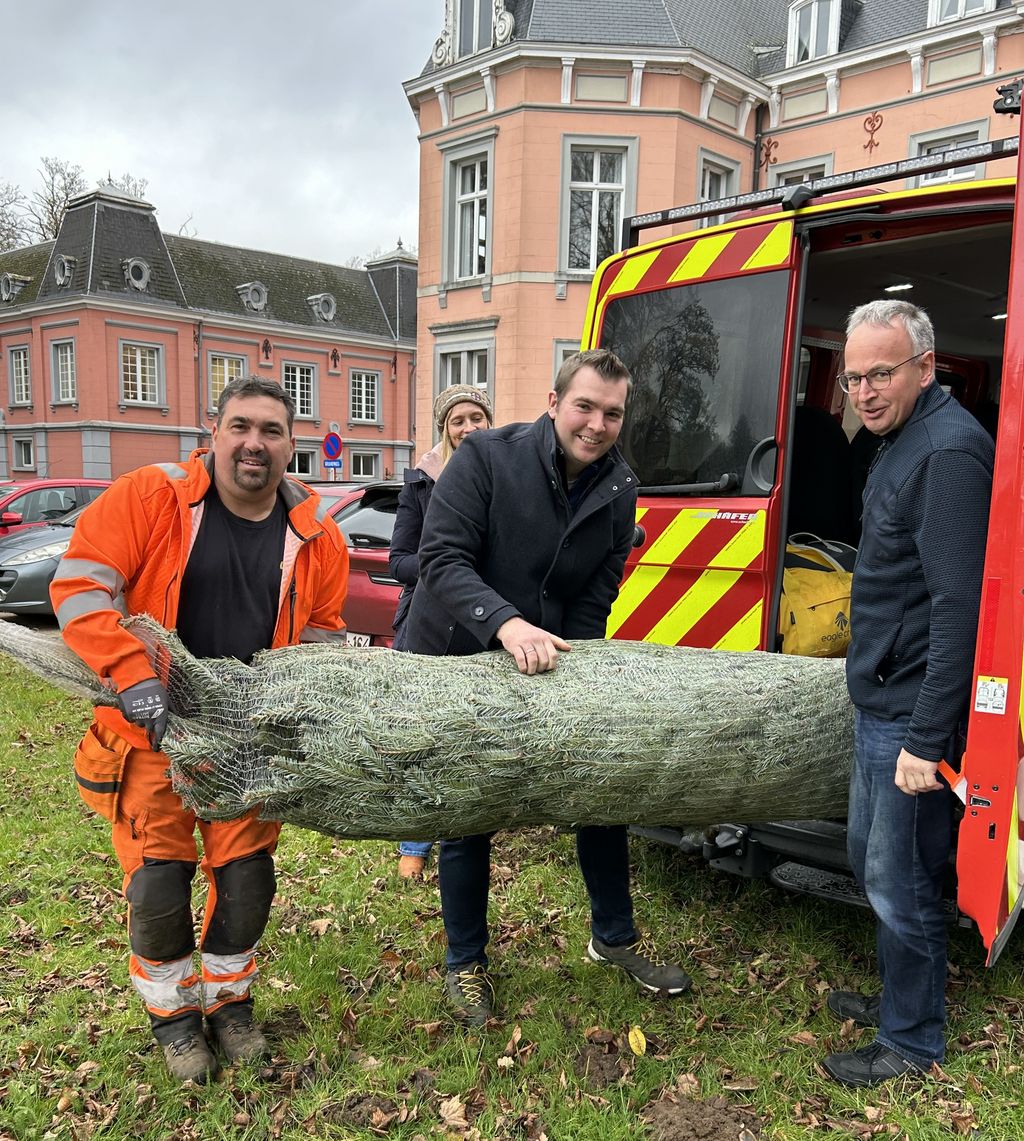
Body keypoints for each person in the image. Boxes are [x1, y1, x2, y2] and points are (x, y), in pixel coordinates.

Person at [50, 377, 349, 1084]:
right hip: (153, 731)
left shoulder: (318, 534)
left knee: (247, 883)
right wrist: (134, 674)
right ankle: (176, 1021)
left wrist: (311, 711)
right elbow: (80, 587)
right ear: (211, 433)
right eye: (240, 426)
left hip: (246, 742)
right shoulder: (149, 497)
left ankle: (230, 1006)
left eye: (271, 431)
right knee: (158, 887)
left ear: (290, 444)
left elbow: (319, 638)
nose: (255, 443)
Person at [404, 348, 692, 1025]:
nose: (596, 424)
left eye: (612, 413)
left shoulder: (621, 487)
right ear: (556, 400)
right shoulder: (485, 458)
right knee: (470, 812)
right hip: (459, 650)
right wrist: (505, 624)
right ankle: (466, 962)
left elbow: (598, 588)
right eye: (585, 406)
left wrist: (581, 668)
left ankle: (613, 938)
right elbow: (438, 558)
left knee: (601, 791)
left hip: (548, 660)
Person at [821, 301, 993, 1087]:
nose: (863, 388)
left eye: (879, 372)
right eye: (854, 376)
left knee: (905, 877)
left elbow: (960, 609)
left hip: (911, 715)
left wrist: (928, 739)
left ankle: (912, 1041)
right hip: (880, 702)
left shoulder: (948, 453)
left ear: (925, 366)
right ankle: (903, 993)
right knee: (870, 859)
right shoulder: (896, 442)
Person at [390, 384, 494, 880]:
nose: (469, 427)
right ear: (444, 429)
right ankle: (414, 842)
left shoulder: (506, 480)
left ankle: (464, 829)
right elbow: (399, 559)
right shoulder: (421, 484)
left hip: (482, 624)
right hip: (427, 625)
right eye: (458, 420)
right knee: (422, 734)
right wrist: (446, 571)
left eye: (477, 417)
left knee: (469, 735)